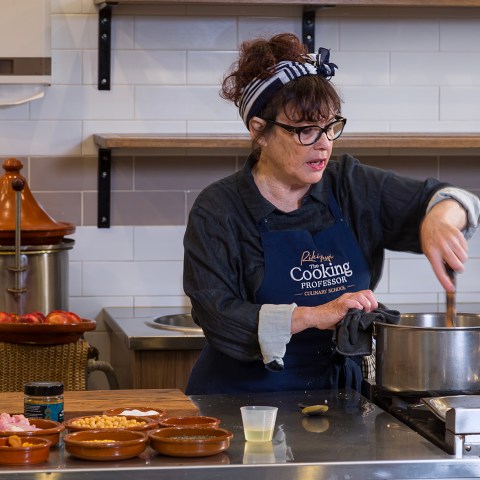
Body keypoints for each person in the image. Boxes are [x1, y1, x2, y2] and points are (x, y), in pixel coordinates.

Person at [183, 33, 480, 395]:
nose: (324, 143)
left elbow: (454, 198)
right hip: (241, 405)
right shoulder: (219, 209)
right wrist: (315, 315)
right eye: (305, 130)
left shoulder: (350, 184)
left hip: (340, 404)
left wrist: (440, 218)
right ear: (259, 131)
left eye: (329, 127)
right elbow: (218, 316)